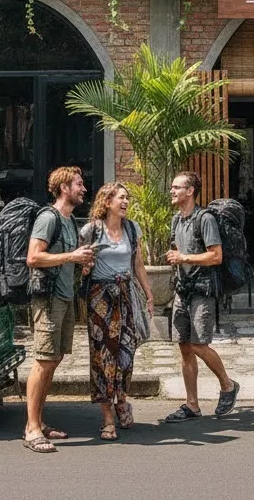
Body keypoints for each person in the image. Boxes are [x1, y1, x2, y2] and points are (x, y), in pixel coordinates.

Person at [22, 166, 97, 454]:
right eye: (79, 184)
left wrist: (82, 261)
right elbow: (33, 257)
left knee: (55, 359)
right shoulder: (48, 218)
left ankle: (39, 421)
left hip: (65, 299)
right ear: (64, 187)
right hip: (49, 300)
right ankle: (31, 429)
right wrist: (72, 255)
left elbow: (65, 258)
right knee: (43, 360)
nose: (84, 189)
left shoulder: (69, 221)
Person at [161, 170, 240, 423]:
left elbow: (216, 256)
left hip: (203, 289)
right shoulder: (177, 220)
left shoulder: (204, 218)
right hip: (182, 289)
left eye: (177, 187)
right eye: (172, 187)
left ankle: (228, 385)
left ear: (190, 191)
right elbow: (177, 249)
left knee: (198, 344)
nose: (172, 191)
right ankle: (192, 405)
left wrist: (184, 257)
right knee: (184, 346)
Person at [79, 181, 154, 440]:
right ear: (106, 201)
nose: (125, 202)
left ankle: (122, 399)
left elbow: (139, 265)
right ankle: (107, 417)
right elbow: (82, 263)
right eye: (121, 197)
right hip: (100, 299)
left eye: (127, 198)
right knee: (102, 358)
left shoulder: (132, 229)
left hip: (125, 296)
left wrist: (148, 294)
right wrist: (85, 267)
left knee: (125, 354)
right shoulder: (91, 231)